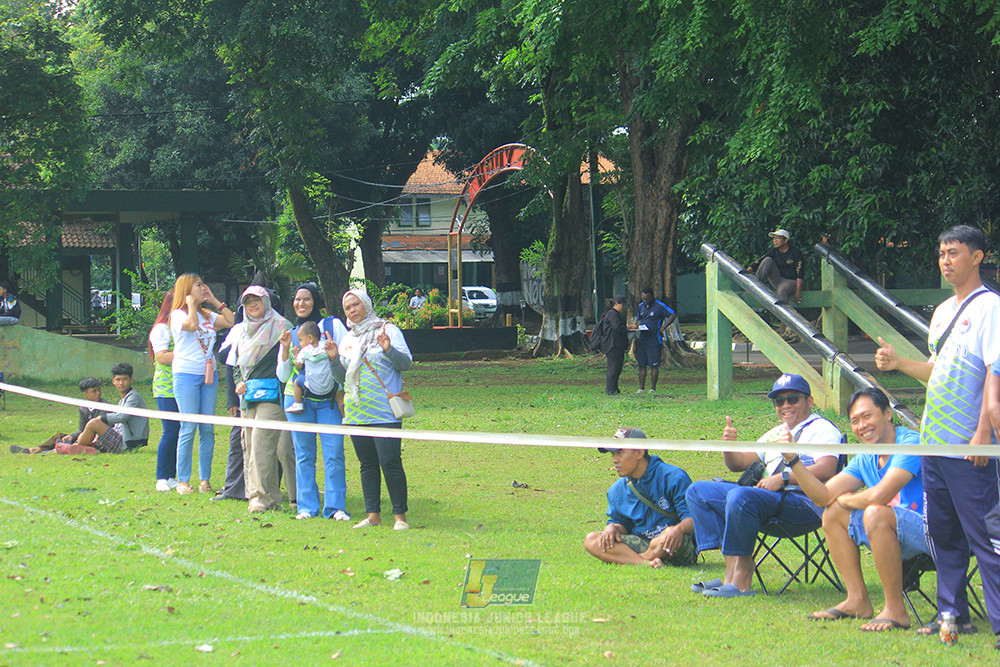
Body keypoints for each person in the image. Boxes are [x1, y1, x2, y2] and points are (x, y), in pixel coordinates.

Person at [878, 224, 1000, 644]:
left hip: (970, 447)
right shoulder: (943, 311)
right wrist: (899, 363)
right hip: (934, 443)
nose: (945, 261)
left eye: (954, 253)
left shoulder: (991, 308)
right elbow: (936, 371)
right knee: (943, 533)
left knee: (987, 537)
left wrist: (983, 434)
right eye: (942, 253)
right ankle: (953, 614)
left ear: (977, 257)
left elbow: (994, 374)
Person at [685, 373, 842, 597]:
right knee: (698, 491)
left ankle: (741, 580)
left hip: (802, 502)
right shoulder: (776, 432)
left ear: (809, 401)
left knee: (740, 497)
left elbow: (827, 468)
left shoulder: (822, 429)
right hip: (764, 500)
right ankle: (731, 571)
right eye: (779, 401)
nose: (785, 405)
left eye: (793, 399)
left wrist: (783, 478)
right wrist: (728, 446)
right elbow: (738, 464)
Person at [782, 387, 924, 631]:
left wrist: (847, 501)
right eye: (855, 421)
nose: (861, 426)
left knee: (874, 511)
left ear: (888, 413)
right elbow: (823, 497)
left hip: (931, 530)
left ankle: (895, 610)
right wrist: (793, 460)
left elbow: (881, 495)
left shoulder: (909, 442)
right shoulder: (866, 457)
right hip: (889, 529)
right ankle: (857, 599)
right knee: (833, 513)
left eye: (867, 416)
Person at [328, 289, 412, 530]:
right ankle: (373, 515)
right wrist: (333, 359)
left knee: (390, 461)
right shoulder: (348, 339)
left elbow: (405, 364)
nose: (352, 310)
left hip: (385, 412)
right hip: (357, 412)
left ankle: (400, 517)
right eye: (347, 308)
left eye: (356, 304)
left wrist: (388, 349)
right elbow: (341, 377)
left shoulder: (388, 330)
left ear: (366, 304)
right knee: (367, 464)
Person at [277, 282, 350, 520]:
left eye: (307, 298)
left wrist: (334, 356)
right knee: (304, 455)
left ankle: (335, 507)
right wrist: (285, 349)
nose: (301, 303)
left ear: (316, 301)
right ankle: (306, 507)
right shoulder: (291, 333)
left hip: (329, 401)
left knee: (334, 453)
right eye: (297, 299)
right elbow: (283, 375)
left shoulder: (332, 326)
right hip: (299, 401)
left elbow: (346, 360)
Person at [583, 427, 697, 567]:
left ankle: (640, 558)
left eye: (620, 452)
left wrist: (678, 529)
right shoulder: (616, 490)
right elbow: (622, 524)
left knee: (666, 534)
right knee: (592, 540)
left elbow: (693, 519)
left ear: (639, 452)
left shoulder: (674, 477)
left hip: (672, 543)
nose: (614, 460)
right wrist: (613, 528)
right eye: (613, 454)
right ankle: (645, 563)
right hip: (641, 543)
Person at [232, 286, 297, 514]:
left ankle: (259, 498)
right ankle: (269, 497)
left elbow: (289, 363)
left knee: (262, 445)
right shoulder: (242, 331)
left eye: (257, 300)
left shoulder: (282, 326)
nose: (252, 305)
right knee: (250, 447)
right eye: (248, 302)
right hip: (248, 397)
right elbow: (236, 364)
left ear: (266, 302)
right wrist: (239, 382)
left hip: (273, 396)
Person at [169, 273, 234, 494]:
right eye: (198, 285)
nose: (202, 288)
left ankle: (205, 479)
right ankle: (183, 480)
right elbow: (191, 325)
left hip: (209, 375)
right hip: (186, 374)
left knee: (207, 427)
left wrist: (214, 300)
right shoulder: (178, 315)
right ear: (187, 289)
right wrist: (190, 304)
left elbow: (231, 321)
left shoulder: (207, 314)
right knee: (189, 426)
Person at [54, 363, 149, 455]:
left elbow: (123, 416)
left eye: (125, 379)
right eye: (118, 379)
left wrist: (101, 419)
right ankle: (86, 448)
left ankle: (76, 447)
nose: (121, 383)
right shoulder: (123, 399)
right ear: (113, 382)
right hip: (120, 438)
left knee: (94, 423)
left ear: (131, 380)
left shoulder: (134, 396)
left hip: (128, 444)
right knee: (93, 428)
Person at [9, 378, 108, 454]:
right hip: (83, 436)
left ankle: (56, 450)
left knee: (78, 445)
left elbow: (101, 431)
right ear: (85, 394)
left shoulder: (104, 407)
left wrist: (81, 439)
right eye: (94, 391)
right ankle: (35, 449)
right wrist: (72, 436)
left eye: (99, 390)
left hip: (96, 440)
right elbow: (81, 429)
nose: (98, 393)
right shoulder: (83, 408)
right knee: (60, 436)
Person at [149, 291, 180, 491]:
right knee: (170, 431)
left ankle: (172, 475)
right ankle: (162, 476)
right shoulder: (161, 329)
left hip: (182, 386)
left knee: (179, 431)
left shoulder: (182, 326)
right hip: (166, 388)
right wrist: (186, 354)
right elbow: (161, 357)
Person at [630, 288, 676, 394]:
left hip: (654, 340)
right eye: (643, 299)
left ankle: (653, 388)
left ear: (652, 296)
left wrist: (663, 327)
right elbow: (640, 319)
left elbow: (673, 314)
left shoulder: (659, 306)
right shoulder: (641, 306)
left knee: (654, 365)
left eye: (647, 299)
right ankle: (641, 388)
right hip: (642, 339)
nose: (645, 301)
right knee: (641, 364)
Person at [285, 321, 336, 414]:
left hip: (312, 387)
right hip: (328, 386)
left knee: (296, 382)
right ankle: (342, 412)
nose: (300, 343)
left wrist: (296, 354)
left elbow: (298, 366)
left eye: (301, 340)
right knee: (339, 386)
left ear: (310, 338)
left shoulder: (305, 351)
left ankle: (298, 404)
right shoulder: (325, 346)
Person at [748, 229, 805, 304]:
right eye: (774, 238)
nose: (775, 240)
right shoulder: (774, 251)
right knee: (767, 259)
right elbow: (759, 261)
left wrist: (798, 291)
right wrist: (747, 271)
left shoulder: (795, 253)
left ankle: (784, 310)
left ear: (785, 240)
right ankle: (755, 283)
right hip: (778, 280)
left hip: (792, 282)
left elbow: (800, 273)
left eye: (778, 238)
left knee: (781, 290)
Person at [598, 296, 629, 395]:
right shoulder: (612, 314)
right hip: (612, 344)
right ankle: (610, 389)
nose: (623, 308)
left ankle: (614, 388)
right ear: (616, 304)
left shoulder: (614, 314)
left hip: (617, 344)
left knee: (617, 367)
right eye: (622, 305)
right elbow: (617, 327)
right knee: (613, 367)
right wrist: (628, 328)